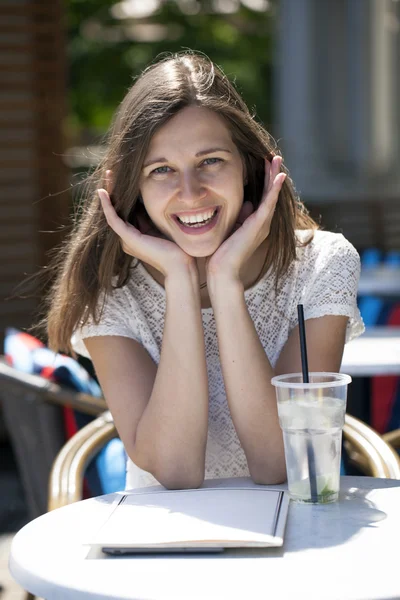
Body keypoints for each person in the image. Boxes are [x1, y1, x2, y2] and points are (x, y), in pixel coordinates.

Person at [46, 51, 364, 491]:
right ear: (130, 187)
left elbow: (278, 463)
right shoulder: (109, 287)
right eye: (161, 170)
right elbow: (175, 470)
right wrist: (179, 280)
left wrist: (224, 282)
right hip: (167, 548)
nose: (190, 192)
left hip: (301, 536)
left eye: (210, 161)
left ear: (251, 167)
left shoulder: (322, 265)